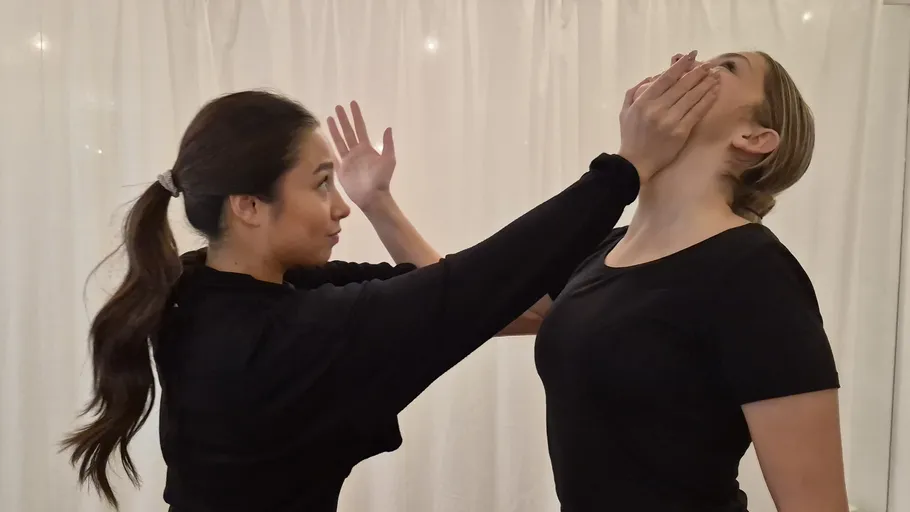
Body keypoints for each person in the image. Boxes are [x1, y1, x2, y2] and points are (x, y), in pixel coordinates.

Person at [61, 53, 719, 510]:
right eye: (322, 186)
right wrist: (623, 171)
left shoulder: (212, 291)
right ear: (249, 206)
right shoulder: (285, 339)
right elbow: (464, 293)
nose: (339, 204)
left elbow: (456, 294)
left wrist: (379, 202)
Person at [349, 52, 848, 512]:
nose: (684, 63)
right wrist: (378, 203)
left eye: (725, 67)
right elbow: (462, 297)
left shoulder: (755, 272)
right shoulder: (604, 248)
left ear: (754, 140)